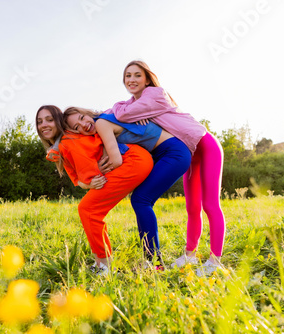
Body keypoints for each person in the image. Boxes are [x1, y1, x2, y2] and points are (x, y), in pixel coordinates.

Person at [107, 60, 226, 276]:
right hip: (190, 151)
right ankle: (190, 255)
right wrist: (126, 109)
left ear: (147, 79)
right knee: (192, 207)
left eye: (137, 75)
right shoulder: (133, 103)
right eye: (127, 76)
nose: (131, 80)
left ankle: (215, 261)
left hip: (205, 144)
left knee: (209, 204)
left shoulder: (155, 94)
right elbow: (109, 115)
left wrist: (124, 109)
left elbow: (121, 115)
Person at [64, 107, 192, 269]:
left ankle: (154, 263)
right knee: (140, 200)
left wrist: (100, 172)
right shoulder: (103, 124)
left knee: (141, 200)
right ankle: (152, 261)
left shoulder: (102, 123)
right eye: (77, 127)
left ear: (88, 114)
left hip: (173, 152)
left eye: (82, 118)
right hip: (163, 153)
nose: (83, 125)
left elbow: (116, 160)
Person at [35, 105, 153, 274]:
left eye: (49, 119)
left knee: (88, 209)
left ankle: (103, 264)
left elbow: (90, 177)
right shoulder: (64, 143)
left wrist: (89, 179)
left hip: (132, 160)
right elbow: (80, 179)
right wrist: (87, 181)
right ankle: (102, 262)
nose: (44, 125)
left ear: (59, 122)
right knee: (90, 209)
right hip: (136, 158)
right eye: (39, 122)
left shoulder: (68, 141)